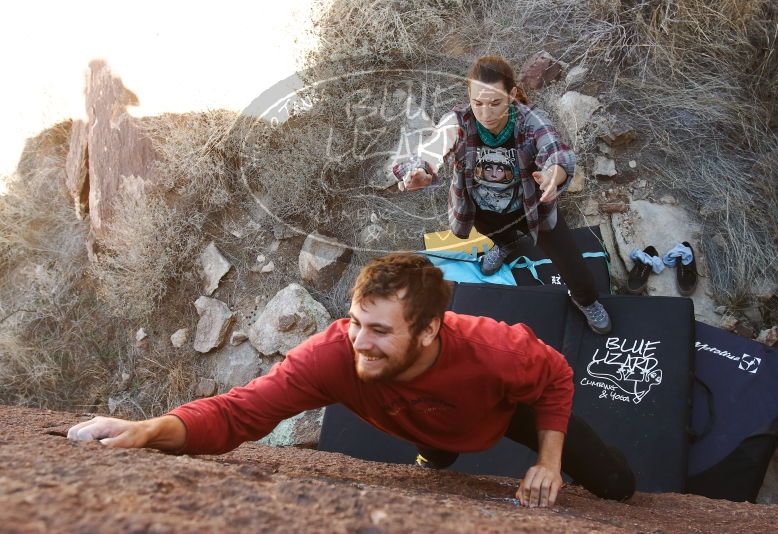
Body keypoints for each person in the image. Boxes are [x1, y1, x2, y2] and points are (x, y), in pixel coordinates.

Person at [68, 253, 635, 507]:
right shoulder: (335, 356)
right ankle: (433, 454)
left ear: (430, 330)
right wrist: (148, 430)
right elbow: (240, 412)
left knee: (615, 485)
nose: (361, 342)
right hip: (428, 422)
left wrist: (549, 460)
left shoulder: (493, 349)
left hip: (501, 409)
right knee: (436, 456)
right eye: (358, 322)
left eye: (382, 332)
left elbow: (555, 377)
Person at [394, 55, 611, 334]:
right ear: (469, 98)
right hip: (483, 208)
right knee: (496, 234)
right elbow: (433, 149)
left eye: (495, 103)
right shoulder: (458, 121)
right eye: (478, 103)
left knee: (572, 265)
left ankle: (587, 301)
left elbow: (556, 151)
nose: (486, 114)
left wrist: (551, 174)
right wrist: (421, 171)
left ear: (511, 95)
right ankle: (505, 245)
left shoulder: (530, 120)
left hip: (532, 207)